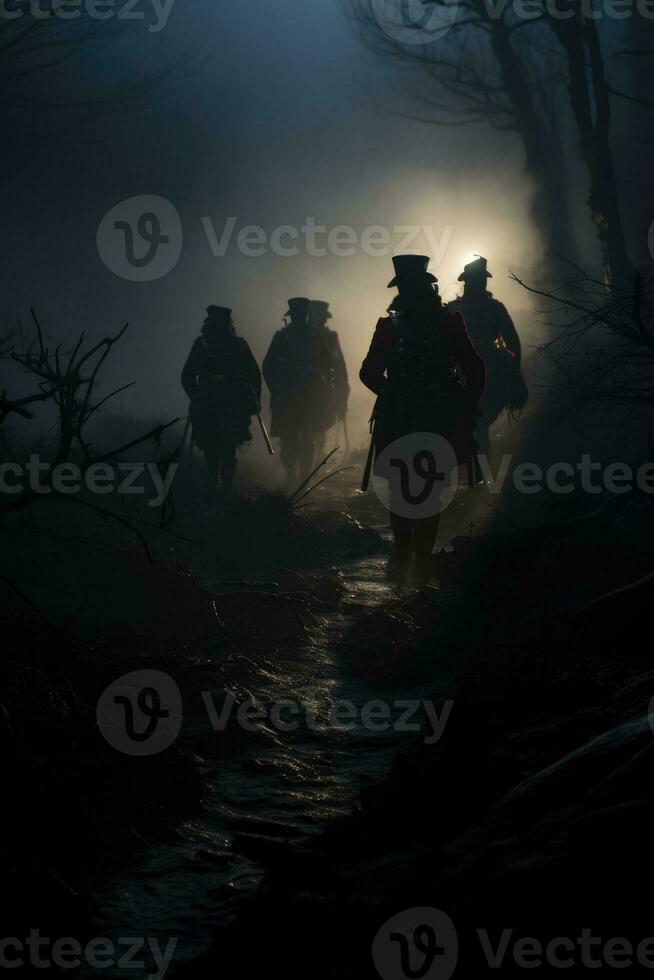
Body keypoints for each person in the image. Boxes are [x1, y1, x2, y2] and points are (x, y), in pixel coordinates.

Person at [360, 254, 485, 586]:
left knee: (413, 490)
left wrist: (392, 394)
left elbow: (369, 373)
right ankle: (411, 561)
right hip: (434, 416)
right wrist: (464, 404)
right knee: (424, 490)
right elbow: (474, 369)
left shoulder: (400, 326)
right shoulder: (442, 323)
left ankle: (410, 561)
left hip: (414, 417)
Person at [448, 256, 528, 450]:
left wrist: (514, 371)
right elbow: (512, 342)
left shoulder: (454, 309)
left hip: (476, 370)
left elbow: (513, 342)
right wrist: (514, 371)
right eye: (479, 279)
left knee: (476, 425)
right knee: (477, 425)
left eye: (481, 279)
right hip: (469, 371)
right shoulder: (491, 308)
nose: (480, 283)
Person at [181, 305, 262, 493]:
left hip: (233, 403)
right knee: (211, 445)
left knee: (229, 445)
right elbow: (187, 376)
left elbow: (253, 374)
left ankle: (225, 486)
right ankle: (213, 481)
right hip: (209, 402)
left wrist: (254, 399)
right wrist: (197, 397)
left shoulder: (239, 345)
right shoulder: (202, 345)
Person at [263, 297, 334, 491]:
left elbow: (327, 366)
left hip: (307, 398)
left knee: (305, 438)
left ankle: (302, 477)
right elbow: (268, 367)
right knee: (290, 439)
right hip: (290, 398)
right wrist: (278, 389)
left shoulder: (315, 337)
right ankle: (292, 475)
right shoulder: (284, 337)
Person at [308, 300, 350, 460]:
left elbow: (339, 366)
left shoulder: (331, 338)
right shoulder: (296, 337)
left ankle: (316, 459)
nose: (322, 321)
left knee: (320, 427)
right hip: (302, 391)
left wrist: (342, 393)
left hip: (322, 391)